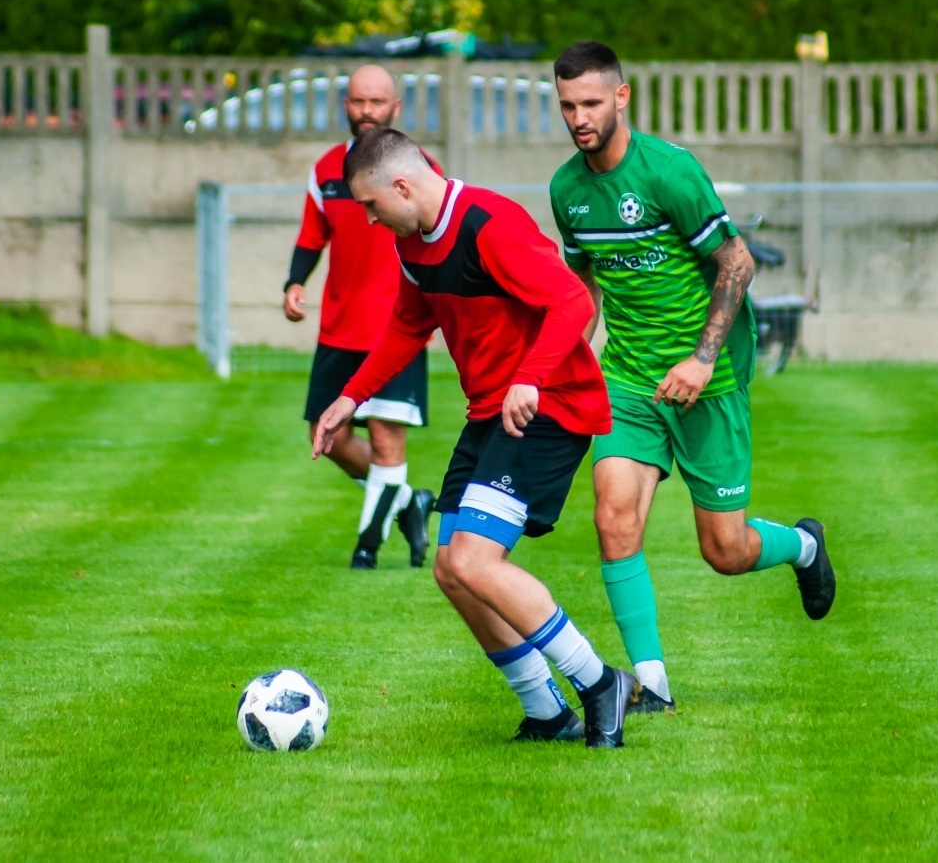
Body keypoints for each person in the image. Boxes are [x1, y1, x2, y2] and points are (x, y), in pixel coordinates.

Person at [312, 127, 636, 747]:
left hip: (551, 406)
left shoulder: (490, 224)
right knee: (450, 569)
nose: (373, 222)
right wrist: (350, 397)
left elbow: (573, 301)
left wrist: (531, 378)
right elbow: (409, 325)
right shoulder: (413, 244)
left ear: (402, 186)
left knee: (473, 559)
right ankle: (546, 711)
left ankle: (599, 686)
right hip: (493, 412)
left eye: (373, 206)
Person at [546, 40, 837, 714]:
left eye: (591, 102)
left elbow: (737, 262)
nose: (579, 117)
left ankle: (802, 545)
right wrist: (562, 362)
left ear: (622, 97)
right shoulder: (566, 190)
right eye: (567, 105)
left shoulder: (670, 172)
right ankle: (653, 683)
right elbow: (583, 284)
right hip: (629, 376)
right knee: (613, 516)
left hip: (711, 373)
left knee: (724, 549)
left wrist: (702, 360)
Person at [284, 64, 434, 570]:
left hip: (397, 331)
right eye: (357, 101)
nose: (366, 111)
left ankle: (366, 547)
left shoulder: (419, 168)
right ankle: (409, 499)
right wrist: (294, 283)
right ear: (345, 105)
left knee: (387, 438)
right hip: (338, 330)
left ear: (396, 107)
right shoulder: (326, 169)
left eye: (377, 102)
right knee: (325, 438)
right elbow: (311, 236)